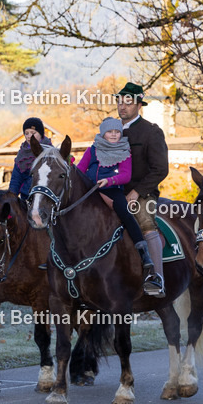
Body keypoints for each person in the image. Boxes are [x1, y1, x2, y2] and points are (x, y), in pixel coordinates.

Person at [76, 117, 162, 295]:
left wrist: (109, 180)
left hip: (112, 189)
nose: (114, 135)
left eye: (117, 132)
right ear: (103, 133)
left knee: (126, 214)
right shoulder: (92, 150)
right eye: (110, 132)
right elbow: (80, 170)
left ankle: (142, 250)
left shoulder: (124, 150)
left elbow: (126, 175)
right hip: (91, 190)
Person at [117, 81, 168, 297]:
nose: (122, 106)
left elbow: (160, 169)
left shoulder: (151, 132)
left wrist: (137, 192)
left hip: (142, 193)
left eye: (128, 102)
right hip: (113, 191)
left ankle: (156, 279)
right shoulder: (111, 130)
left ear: (139, 104)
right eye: (119, 101)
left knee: (146, 221)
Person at [9, 117, 52, 201]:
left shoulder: (50, 152)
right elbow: (16, 179)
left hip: (47, 198)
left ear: (41, 134)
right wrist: (11, 199)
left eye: (33, 133)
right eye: (26, 133)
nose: (29, 136)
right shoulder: (22, 154)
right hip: (26, 197)